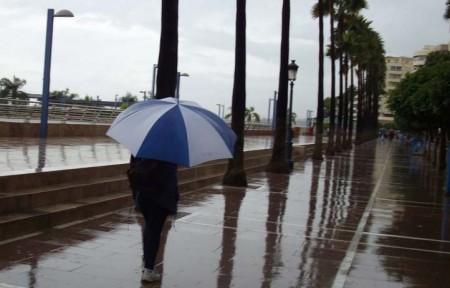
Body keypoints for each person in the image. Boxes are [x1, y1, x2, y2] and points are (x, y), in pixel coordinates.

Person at [128, 156, 179, 283]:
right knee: (154, 230)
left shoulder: (143, 145)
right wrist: (175, 198)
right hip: (159, 197)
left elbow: (133, 168)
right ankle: (148, 269)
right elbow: (170, 178)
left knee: (149, 227)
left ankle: (147, 265)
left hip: (142, 195)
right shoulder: (170, 151)